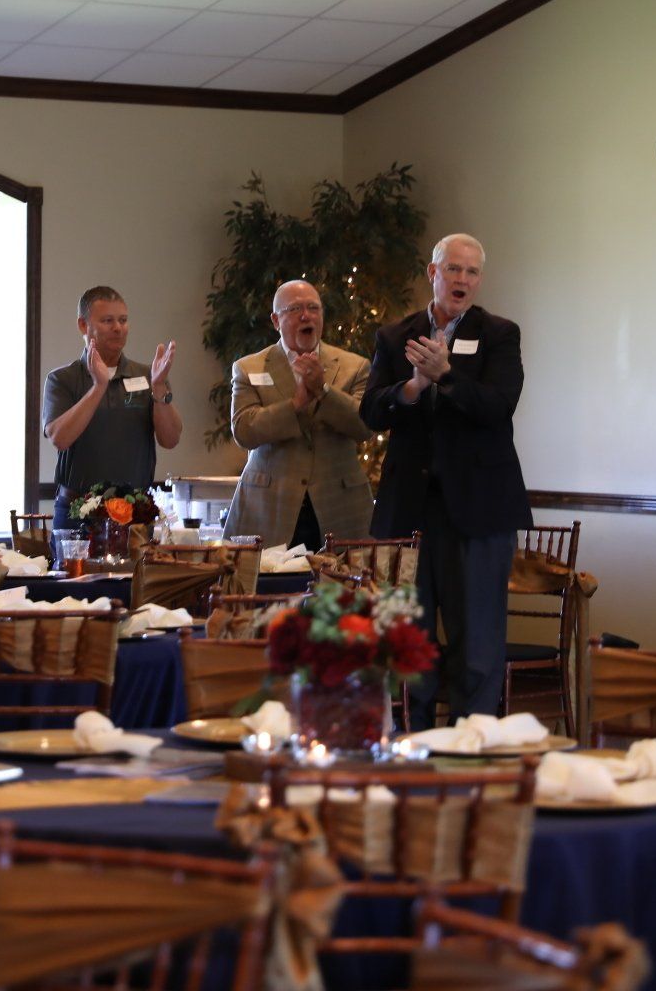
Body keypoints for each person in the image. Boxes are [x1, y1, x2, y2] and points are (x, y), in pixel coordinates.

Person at [361, 233, 530, 726]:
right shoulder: (395, 337)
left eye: (472, 272)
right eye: (453, 269)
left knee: (476, 641)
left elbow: (499, 406)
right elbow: (372, 411)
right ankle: (414, 746)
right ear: (432, 273)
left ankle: (470, 746)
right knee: (409, 641)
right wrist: (412, 386)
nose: (462, 280)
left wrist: (447, 375)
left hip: (478, 511)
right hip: (409, 511)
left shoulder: (500, 334)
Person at [224, 280, 374, 549]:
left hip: (338, 505)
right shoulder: (249, 367)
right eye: (294, 309)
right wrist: (295, 405)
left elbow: (365, 425)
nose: (306, 315)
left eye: (313, 308)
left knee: (342, 591)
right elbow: (244, 430)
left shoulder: (355, 366)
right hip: (270, 507)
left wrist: (324, 391)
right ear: (275, 320)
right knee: (267, 589)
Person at [42, 285, 180, 528]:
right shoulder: (62, 379)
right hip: (78, 513)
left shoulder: (148, 376)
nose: (118, 328)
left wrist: (159, 388)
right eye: (107, 320)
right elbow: (59, 438)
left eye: (123, 320)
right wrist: (98, 386)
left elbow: (170, 439)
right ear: (83, 326)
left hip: (135, 511)